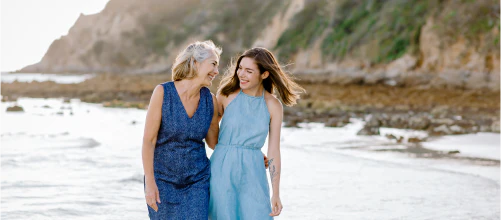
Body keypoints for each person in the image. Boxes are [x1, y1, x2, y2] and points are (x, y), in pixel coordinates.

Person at [209, 47, 305, 219]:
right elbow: (211, 136)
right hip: (221, 170)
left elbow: (274, 150)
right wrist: (236, 151)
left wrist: (276, 193)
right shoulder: (226, 95)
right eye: (240, 68)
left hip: (253, 173)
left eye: (249, 71)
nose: (241, 74)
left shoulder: (273, 105)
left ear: (264, 74)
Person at [141, 40, 221, 220]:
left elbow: (214, 142)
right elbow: (148, 141)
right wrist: (150, 183)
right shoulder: (163, 92)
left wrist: (248, 148)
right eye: (213, 64)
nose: (216, 71)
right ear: (195, 63)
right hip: (162, 181)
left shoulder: (211, 101)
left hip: (197, 182)